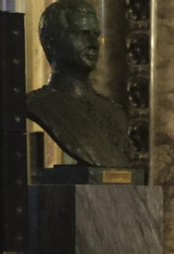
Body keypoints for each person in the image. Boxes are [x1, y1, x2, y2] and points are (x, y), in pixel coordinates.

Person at [24, 0, 135, 168]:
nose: (93, 44)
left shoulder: (115, 112)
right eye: (81, 34)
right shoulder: (37, 105)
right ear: (51, 44)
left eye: (95, 35)